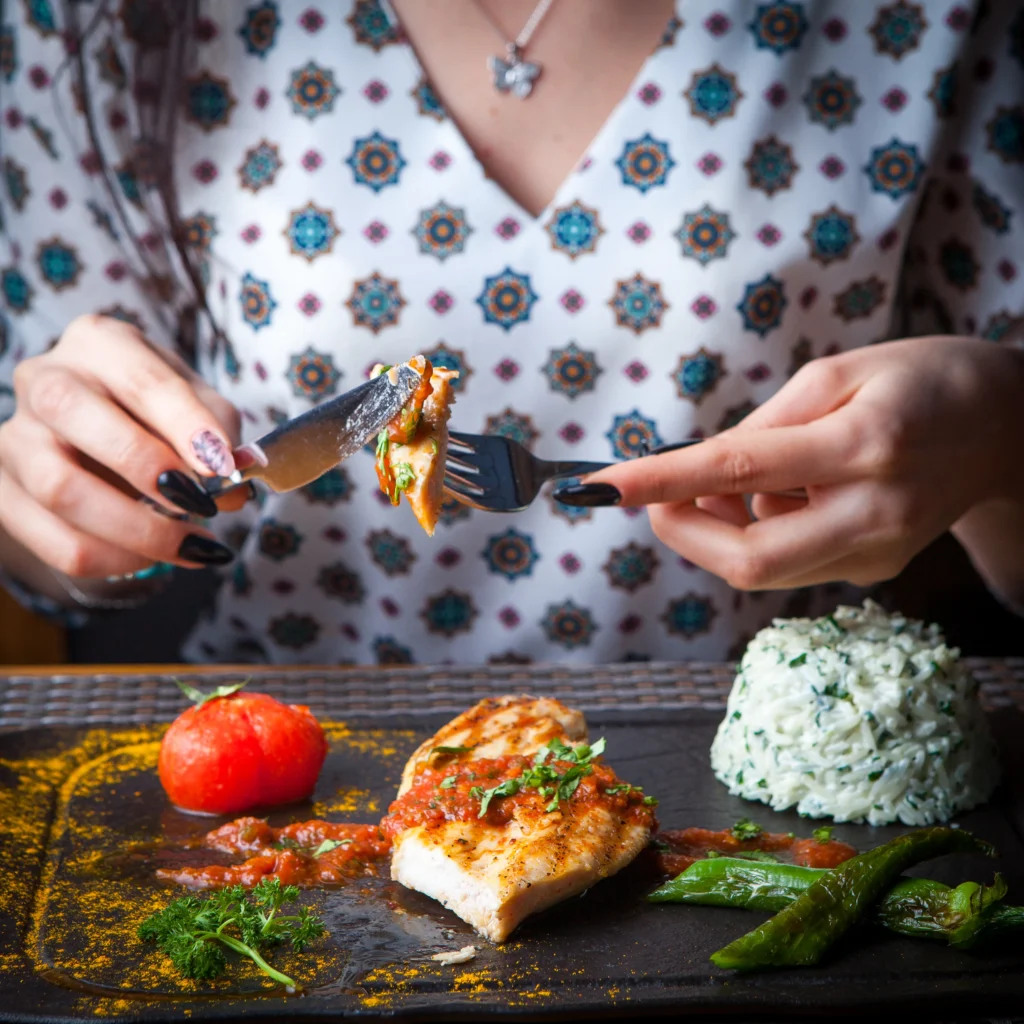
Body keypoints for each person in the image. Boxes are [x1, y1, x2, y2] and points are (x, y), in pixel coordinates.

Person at [0, 0, 1021, 666]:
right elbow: (47, 557)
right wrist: (78, 506)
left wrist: (1001, 437)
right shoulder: (96, 22)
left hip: (751, 770)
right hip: (281, 785)